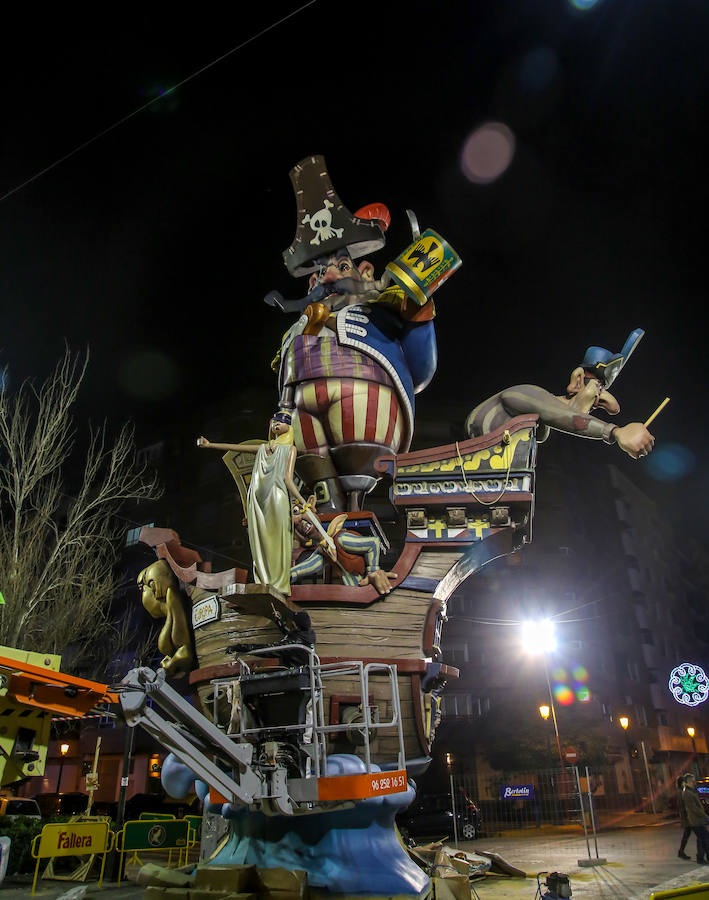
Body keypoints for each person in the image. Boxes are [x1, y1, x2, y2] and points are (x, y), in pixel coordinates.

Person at [272, 155, 459, 512]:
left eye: (341, 266)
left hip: (364, 394)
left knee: (357, 458)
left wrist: (418, 311)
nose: (326, 278)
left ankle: (356, 515)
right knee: (317, 477)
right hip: (301, 411)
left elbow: (421, 369)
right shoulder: (295, 331)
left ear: (365, 269)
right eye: (318, 273)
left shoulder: (378, 314)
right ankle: (329, 518)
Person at [464, 328, 655, 460]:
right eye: (598, 388)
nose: (602, 401)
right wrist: (616, 431)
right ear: (578, 380)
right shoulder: (525, 394)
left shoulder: (539, 428)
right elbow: (564, 416)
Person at [198, 411, 307, 595]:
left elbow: (288, 480)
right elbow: (236, 448)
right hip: (257, 502)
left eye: (282, 422)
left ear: (290, 426)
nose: (277, 425)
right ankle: (264, 582)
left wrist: (303, 501)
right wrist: (210, 445)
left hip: (277, 497)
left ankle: (279, 584)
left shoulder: (290, 449)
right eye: (275, 422)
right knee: (260, 542)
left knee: (278, 539)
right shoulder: (264, 447)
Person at [681, 773, 709, 863]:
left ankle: (703, 857)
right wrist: (705, 816)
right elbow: (694, 808)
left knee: (704, 838)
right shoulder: (687, 793)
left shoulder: (692, 791)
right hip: (695, 820)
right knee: (702, 839)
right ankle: (700, 858)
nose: (694, 782)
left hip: (698, 819)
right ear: (689, 781)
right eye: (693, 780)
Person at [677, 774, 693, 860]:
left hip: (687, 817)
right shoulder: (681, 792)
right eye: (684, 782)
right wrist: (685, 817)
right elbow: (682, 806)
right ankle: (681, 852)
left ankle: (681, 851)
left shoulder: (682, 791)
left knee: (686, 835)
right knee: (701, 835)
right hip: (688, 817)